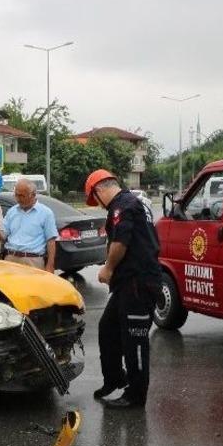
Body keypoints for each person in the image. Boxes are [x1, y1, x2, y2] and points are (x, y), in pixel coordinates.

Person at [85, 168, 163, 410]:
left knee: (135, 341)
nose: (98, 206)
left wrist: (107, 268)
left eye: (95, 200)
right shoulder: (131, 202)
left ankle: (136, 395)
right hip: (127, 284)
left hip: (138, 284)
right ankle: (115, 378)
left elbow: (121, 241)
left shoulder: (123, 205)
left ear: (99, 190)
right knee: (107, 328)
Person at [1, 179, 57, 272]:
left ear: (33, 195)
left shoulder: (46, 213)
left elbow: (51, 241)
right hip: (11, 259)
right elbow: (3, 235)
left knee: (32, 287)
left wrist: (50, 265)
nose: (18, 199)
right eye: (16, 195)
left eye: (22, 196)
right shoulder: (12, 211)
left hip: (33, 261)